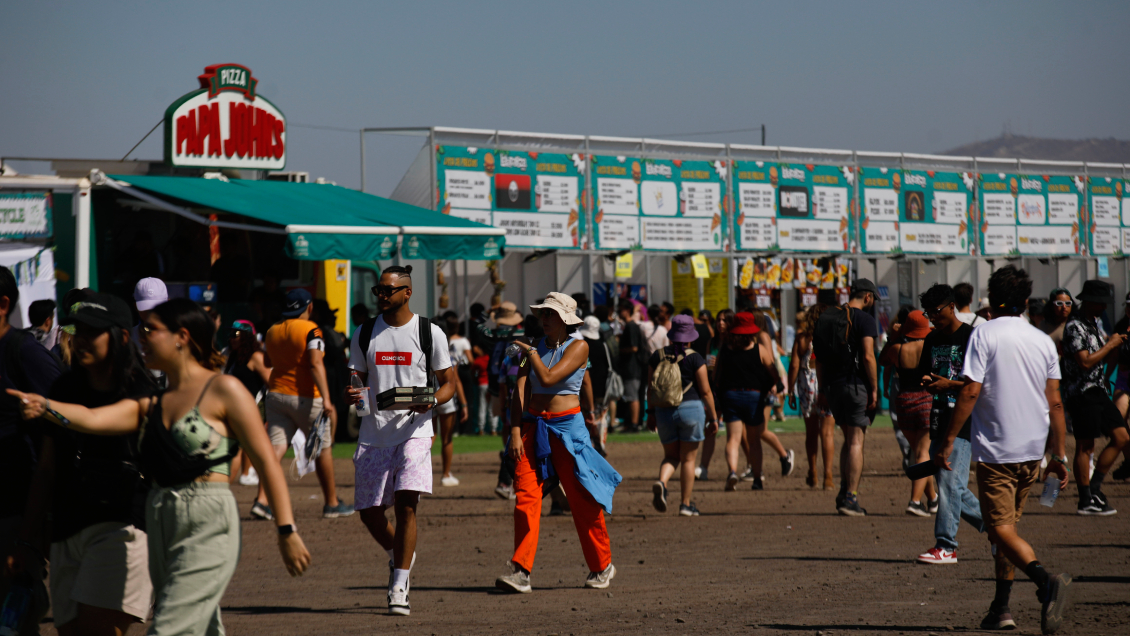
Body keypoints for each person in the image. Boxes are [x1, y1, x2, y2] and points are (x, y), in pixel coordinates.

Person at [10, 298, 312, 635]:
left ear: (181, 336)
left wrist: (286, 530)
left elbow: (267, 461)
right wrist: (45, 405)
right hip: (160, 517)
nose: (143, 336)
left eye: (152, 330)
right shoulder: (154, 401)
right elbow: (94, 419)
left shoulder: (224, 388)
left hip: (206, 518)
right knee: (199, 625)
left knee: (168, 628)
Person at [932, 265, 1071, 633]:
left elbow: (971, 390)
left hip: (997, 451)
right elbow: (1055, 404)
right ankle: (1001, 607)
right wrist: (1059, 456)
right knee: (1006, 531)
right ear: (1027, 302)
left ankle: (1045, 581)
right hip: (1032, 452)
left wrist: (947, 440)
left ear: (992, 300)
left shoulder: (984, 334)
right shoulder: (1042, 341)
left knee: (999, 531)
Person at [8, 295, 156, 635]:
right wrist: (26, 539)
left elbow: (94, 420)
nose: (81, 338)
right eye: (79, 330)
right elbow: (46, 469)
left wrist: (47, 407)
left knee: (97, 630)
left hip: (121, 526)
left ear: (120, 338)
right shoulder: (65, 385)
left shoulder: (140, 390)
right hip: (67, 529)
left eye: (94, 331)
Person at [345, 265, 457, 616]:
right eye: (379, 290)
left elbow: (449, 382)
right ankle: (400, 552)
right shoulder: (364, 333)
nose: (382, 296)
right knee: (368, 512)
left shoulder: (429, 332)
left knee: (407, 505)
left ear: (407, 293)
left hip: (415, 430)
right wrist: (354, 394)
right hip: (374, 433)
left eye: (388, 290)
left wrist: (434, 400)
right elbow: (357, 378)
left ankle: (399, 584)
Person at [495, 292, 620, 594]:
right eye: (543, 314)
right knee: (525, 497)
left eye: (550, 314)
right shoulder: (534, 347)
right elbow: (520, 389)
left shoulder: (579, 347)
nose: (545, 319)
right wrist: (514, 430)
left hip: (569, 430)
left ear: (566, 320)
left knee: (582, 501)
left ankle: (602, 566)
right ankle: (521, 571)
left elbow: (549, 379)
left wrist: (530, 353)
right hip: (533, 428)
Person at [254, 288, 353, 520]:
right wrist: (327, 399)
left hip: (276, 395)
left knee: (276, 450)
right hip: (307, 397)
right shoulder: (312, 330)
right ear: (309, 308)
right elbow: (315, 364)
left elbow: (268, 361)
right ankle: (331, 503)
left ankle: (261, 501)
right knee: (322, 448)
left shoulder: (272, 331)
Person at [0, 266, 61, 635]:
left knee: (13, 616)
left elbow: (66, 412)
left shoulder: (23, 352)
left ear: (3, 304)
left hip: (13, 509)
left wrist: (33, 528)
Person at [913, 284, 984, 565]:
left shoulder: (972, 337)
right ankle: (999, 531)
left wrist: (949, 384)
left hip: (964, 417)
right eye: (928, 313)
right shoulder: (931, 339)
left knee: (948, 481)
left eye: (936, 312)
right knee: (951, 484)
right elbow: (924, 374)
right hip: (939, 415)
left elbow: (979, 385)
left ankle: (946, 545)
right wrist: (929, 383)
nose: (933, 318)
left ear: (951, 306)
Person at [814, 278, 880, 516]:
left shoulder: (828, 317)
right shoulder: (864, 319)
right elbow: (868, 357)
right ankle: (850, 497)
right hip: (855, 386)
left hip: (832, 387)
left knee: (847, 438)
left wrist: (822, 390)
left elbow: (818, 359)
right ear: (868, 297)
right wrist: (873, 389)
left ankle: (843, 492)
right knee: (856, 441)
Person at [1060, 279, 1126, 515]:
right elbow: (1085, 361)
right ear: (1088, 302)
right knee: (1085, 445)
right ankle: (1085, 498)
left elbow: (1102, 360)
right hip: (1081, 392)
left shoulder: (1094, 324)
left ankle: (1095, 488)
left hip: (1098, 390)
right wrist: (1109, 346)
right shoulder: (1075, 326)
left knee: (1122, 437)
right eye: (1100, 303)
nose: (1104, 308)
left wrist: (1115, 347)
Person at [647, 315, 718, 516]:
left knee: (670, 456)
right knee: (688, 459)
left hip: (663, 411)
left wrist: (650, 414)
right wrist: (713, 418)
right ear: (690, 337)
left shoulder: (656, 356)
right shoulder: (695, 358)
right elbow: (706, 392)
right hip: (691, 409)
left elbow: (649, 389)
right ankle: (685, 505)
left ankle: (662, 482)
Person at [879, 310, 937, 516]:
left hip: (904, 402)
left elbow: (882, 360)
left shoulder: (896, 348)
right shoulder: (930, 346)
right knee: (923, 454)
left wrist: (894, 337)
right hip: (926, 401)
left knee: (919, 454)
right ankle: (914, 502)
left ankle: (932, 499)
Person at [715, 312, 780, 492]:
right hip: (754, 397)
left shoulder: (725, 349)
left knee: (733, 439)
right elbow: (773, 373)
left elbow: (716, 376)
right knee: (754, 441)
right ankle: (757, 479)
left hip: (730, 396)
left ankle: (732, 472)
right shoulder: (759, 349)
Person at [788, 303, 835, 489]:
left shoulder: (802, 339)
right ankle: (828, 477)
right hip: (826, 383)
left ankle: (813, 472)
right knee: (828, 433)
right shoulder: (832, 337)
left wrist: (790, 391)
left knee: (811, 433)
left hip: (807, 384)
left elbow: (793, 366)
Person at [224, 320, 271, 486]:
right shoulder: (234, 357)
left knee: (248, 448)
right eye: (230, 335)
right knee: (236, 448)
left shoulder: (256, 357)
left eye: (235, 335)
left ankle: (248, 479)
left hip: (252, 409)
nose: (231, 339)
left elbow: (271, 383)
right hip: (233, 408)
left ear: (246, 337)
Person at [697, 308, 734, 480]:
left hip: (732, 388)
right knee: (710, 427)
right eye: (718, 320)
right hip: (715, 388)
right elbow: (706, 364)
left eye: (724, 320)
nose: (720, 323)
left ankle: (749, 466)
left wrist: (719, 362)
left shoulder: (735, 341)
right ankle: (703, 468)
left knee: (735, 432)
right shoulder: (711, 342)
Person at [435, 319, 470, 487]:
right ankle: (445, 474)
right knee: (447, 438)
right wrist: (463, 404)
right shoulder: (450, 349)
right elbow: (455, 379)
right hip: (446, 396)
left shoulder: (422, 345)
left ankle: (418, 473)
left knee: (428, 437)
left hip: (426, 394)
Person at [580, 315, 613, 455]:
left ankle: (590, 446)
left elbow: (585, 375)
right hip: (601, 388)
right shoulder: (603, 345)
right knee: (600, 419)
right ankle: (600, 444)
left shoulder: (580, 345)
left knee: (585, 417)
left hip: (584, 388)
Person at [616, 300, 645, 432]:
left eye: (621, 310)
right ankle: (630, 422)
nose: (618, 312)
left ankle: (634, 424)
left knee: (633, 397)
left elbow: (634, 348)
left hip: (632, 368)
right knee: (630, 396)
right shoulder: (629, 326)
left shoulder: (631, 326)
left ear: (627, 311)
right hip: (631, 368)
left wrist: (620, 349)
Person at [1040, 288, 1073, 355]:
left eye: (1067, 303)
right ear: (1052, 306)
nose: (1064, 306)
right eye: (1059, 303)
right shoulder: (1043, 325)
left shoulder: (1075, 326)